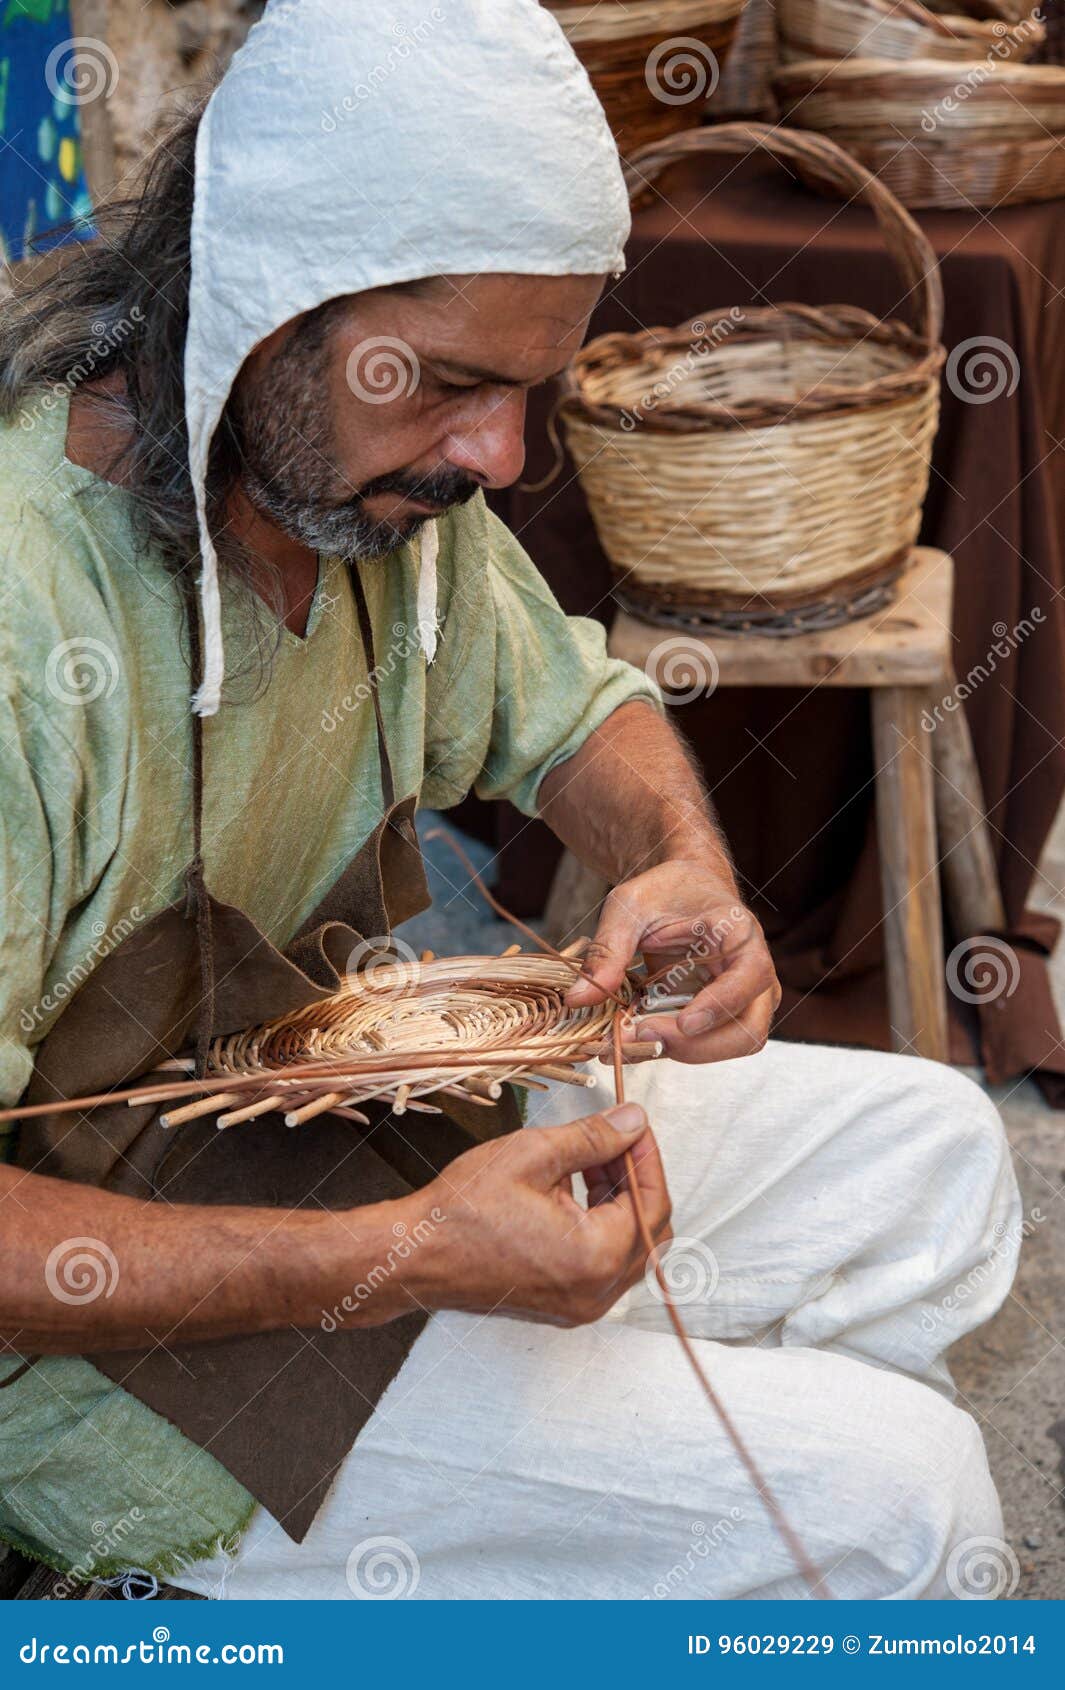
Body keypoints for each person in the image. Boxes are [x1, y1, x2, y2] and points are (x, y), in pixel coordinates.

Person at [0, 0, 1018, 1600]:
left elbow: (571, 712)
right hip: (92, 1363)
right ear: (262, 312)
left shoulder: (371, 488)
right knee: (911, 1502)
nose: (503, 450)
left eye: (529, 385)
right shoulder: (19, 618)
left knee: (942, 1155)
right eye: (451, 383)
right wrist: (404, 1254)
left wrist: (680, 859)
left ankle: (702, 1522)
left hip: (326, 1125)